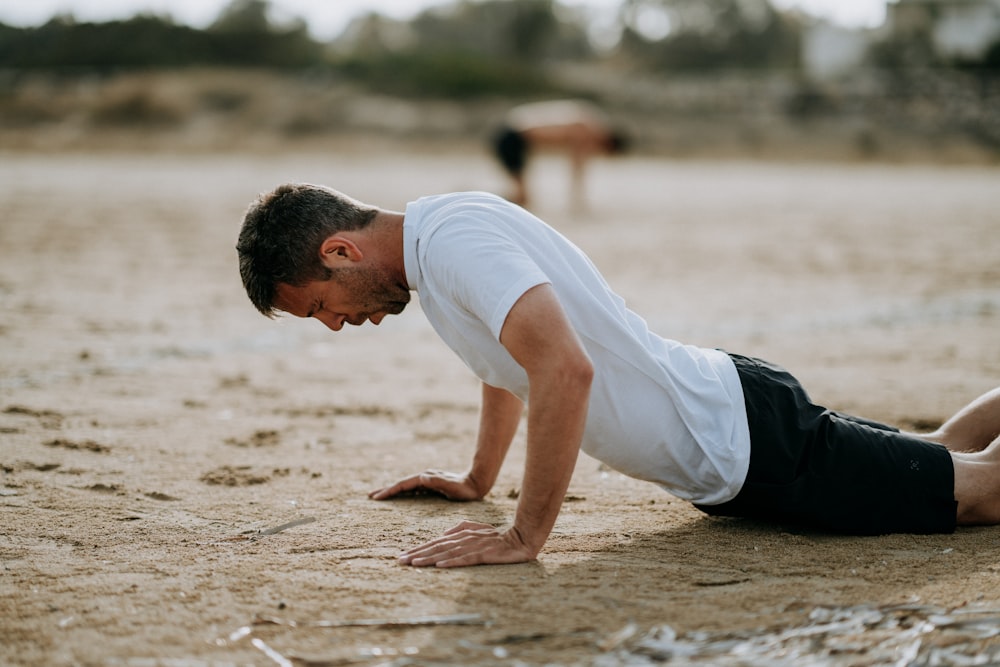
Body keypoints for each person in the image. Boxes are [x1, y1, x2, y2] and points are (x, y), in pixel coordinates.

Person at [236, 184, 1000, 568]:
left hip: (747, 442)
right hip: (734, 425)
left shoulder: (453, 243)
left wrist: (523, 535)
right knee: (937, 453)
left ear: (340, 252)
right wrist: (477, 476)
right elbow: (510, 367)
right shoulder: (434, 256)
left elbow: (564, 369)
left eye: (320, 309)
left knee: (981, 493)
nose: (336, 325)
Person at [491, 99, 628, 210]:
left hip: (514, 135)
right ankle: (487, 204)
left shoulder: (588, 120)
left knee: (522, 197)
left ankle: (490, 204)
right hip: (512, 136)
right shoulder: (586, 129)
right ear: (608, 144)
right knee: (522, 198)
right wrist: (578, 201)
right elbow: (577, 167)